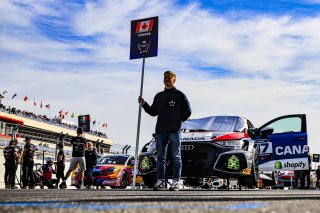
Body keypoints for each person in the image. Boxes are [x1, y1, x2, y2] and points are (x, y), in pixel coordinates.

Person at [138, 70, 191, 191]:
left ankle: (175, 182)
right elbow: (153, 112)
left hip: (174, 132)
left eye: (169, 78)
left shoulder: (180, 95)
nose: (167, 80)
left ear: (174, 80)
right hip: (160, 132)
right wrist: (144, 104)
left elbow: (188, 111)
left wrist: (178, 121)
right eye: (165, 78)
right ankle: (161, 181)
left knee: (176, 156)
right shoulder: (159, 96)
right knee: (160, 157)